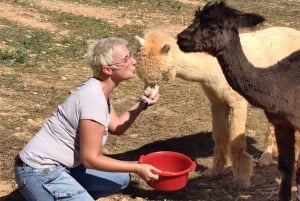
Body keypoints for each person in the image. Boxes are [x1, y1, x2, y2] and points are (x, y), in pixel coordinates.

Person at [14, 37, 161, 201]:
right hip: (38, 171)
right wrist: (137, 167)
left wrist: (143, 103)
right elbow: (90, 160)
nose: (133, 61)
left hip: (67, 166)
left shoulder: (97, 88)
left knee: (121, 179)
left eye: (131, 56)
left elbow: (117, 126)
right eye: (126, 59)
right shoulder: (93, 100)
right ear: (107, 70)